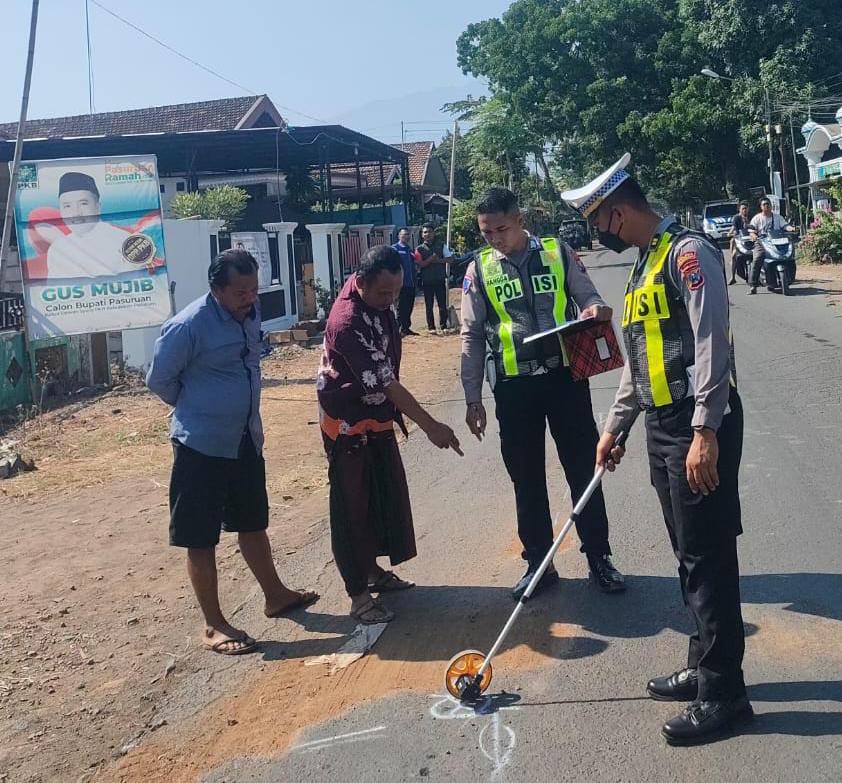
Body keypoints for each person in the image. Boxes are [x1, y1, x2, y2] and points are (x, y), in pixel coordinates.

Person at [568, 153, 750, 746]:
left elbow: (711, 345)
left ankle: (725, 695)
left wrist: (705, 433)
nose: (598, 233)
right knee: (686, 552)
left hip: (698, 424)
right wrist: (615, 426)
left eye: (599, 223)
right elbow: (640, 356)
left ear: (618, 214)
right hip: (661, 425)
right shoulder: (645, 264)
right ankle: (704, 667)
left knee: (708, 557)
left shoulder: (688, 254)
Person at [146, 249, 318, 656]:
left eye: (253, 289)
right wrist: (200, 407)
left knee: (252, 522)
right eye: (240, 291)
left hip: (244, 438)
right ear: (217, 289)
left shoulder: (252, 313)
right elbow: (159, 380)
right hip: (200, 446)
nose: (249, 297)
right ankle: (214, 625)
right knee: (200, 537)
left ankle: (275, 595)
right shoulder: (189, 325)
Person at [459, 188, 626, 600]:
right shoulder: (478, 270)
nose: (494, 238)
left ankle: (599, 557)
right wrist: (472, 396)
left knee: (583, 470)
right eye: (486, 232)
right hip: (515, 389)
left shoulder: (557, 252)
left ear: (519, 219)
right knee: (526, 477)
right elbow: (472, 335)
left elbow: (588, 297)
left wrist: (595, 310)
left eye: (501, 228)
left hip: (565, 379)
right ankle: (538, 563)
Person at [318, 245, 463, 624]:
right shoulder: (347, 321)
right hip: (347, 420)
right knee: (351, 507)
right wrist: (432, 426)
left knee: (382, 494)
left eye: (396, 292)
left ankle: (372, 571)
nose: (391, 301)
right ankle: (358, 595)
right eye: (384, 293)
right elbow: (386, 382)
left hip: (376, 414)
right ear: (361, 282)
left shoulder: (376, 302)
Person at [42, 171, 145, 279]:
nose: (76, 213)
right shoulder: (58, 248)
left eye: (83, 204)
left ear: (98, 207)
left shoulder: (124, 241)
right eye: (67, 206)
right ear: (61, 211)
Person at [747, 197, 789, 294]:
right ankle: (753, 285)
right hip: (761, 242)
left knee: (787, 255)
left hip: (777, 242)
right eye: (764, 204)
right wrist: (753, 236)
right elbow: (752, 231)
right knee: (757, 258)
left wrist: (791, 228)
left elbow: (785, 226)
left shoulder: (778, 217)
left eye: (768, 204)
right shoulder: (757, 218)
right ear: (761, 207)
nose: (767, 206)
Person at [415, 224, 450, 332]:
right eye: (425, 232)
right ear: (422, 235)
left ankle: (443, 326)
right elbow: (419, 264)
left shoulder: (441, 245)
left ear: (433, 233)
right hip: (427, 280)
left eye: (429, 232)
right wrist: (431, 259)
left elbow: (451, 258)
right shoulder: (419, 249)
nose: (427, 234)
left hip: (439, 279)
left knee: (442, 304)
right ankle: (431, 327)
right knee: (429, 305)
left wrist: (438, 261)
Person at [390, 227, 419, 335]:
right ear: (399, 236)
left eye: (407, 235)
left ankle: (406, 328)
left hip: (410, 283)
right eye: (404, 234)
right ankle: (399, 330)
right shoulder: (395, 249)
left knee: (409, 306)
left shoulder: (409, 250)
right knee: (400, 307)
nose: (406, 237)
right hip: (400, 284)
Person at [728, 202, 751, 286]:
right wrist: (730, 233)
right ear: (739, 210)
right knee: (734, 255)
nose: (744, 210)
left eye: (746, 208)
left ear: (748, 209)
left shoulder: (752, 217)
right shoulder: (736, 218)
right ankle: (733, 277)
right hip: (740, 239)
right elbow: (733, 228)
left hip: (752, 239)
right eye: (743, 209)